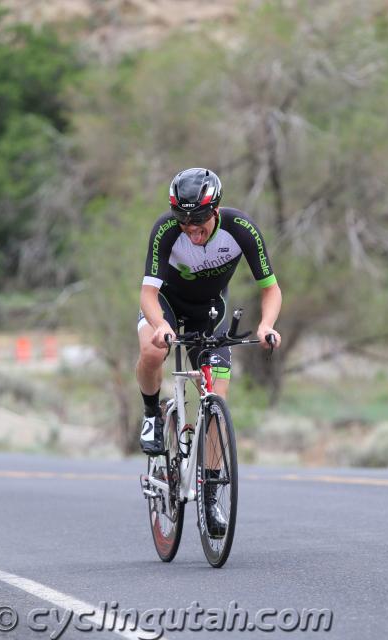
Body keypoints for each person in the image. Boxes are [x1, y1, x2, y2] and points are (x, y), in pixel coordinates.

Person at [136, 168, 282, 535]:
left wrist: (266, 325)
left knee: (217, 395)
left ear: (215, 210)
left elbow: (270, 288)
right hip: (167, 305)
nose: (190, 226)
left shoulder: (241, 229)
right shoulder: (166, 231)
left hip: (209, 312)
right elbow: (148, 294)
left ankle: (212, 495)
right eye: (182, 218)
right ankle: (153, 414)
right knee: (152, 352)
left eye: (198, 218)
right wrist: (161, 326)